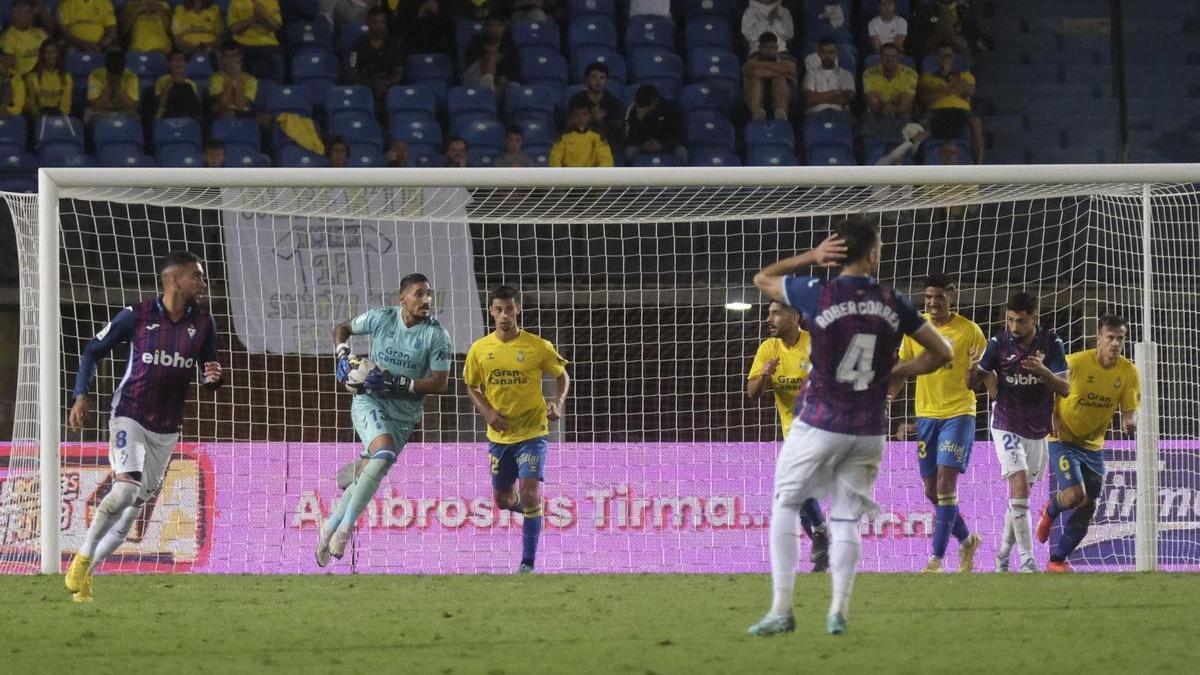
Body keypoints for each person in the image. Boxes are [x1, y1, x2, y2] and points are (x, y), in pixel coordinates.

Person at [748, 218, 950, 636]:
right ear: (874, 254)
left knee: (785, 504)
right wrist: (897, 369)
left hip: (819, 420)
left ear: (837, 252)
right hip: (869, 427)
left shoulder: (817, 293)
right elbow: (942, 352)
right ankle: (838, 610)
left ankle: (782, 609)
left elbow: (762, 278)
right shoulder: (895, 301)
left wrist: (812, 257)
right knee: (846, 519)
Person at [63, 251, 224, 602]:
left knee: (133, 511)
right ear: (175, 280)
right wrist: (81, 395)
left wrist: (213, 378)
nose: (203, 282)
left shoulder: (204, 323)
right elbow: (92, 350)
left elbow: (208, 367)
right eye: (197, 276)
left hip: (166, 429)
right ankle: (83, 555)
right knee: (123, 492)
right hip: (129, 415)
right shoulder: (136, 316)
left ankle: (88, 574)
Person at [316, 273, 452, 566]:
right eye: (419, 294)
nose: (426, 300)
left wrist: (400, 383)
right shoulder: (382, 318)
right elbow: (342, 329)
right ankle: (345, 530)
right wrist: (342, 355)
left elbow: (440, 383)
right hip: (370, 401)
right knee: (384, 451)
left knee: (373, 468)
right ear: (402, 298)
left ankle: (328, 527)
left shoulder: (436, 335)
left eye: (428, 294)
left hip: (405, 418)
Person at [464, 285, 570, 573]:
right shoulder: (479, 349)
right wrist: (486, 410)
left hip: (533, 432)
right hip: (499, 437)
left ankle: (527, 564)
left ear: (517, 309)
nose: (504, 315)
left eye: (509, 308)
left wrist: (557, 403)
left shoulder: (537, 346)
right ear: (491, 312)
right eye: (498, 309)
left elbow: (562, 376)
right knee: (502, 500)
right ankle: (532, 513)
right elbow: (471, 385)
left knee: (530, 490)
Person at [890, 273, 986, 573]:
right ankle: (968, 541)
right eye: (928, 297)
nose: (932, 302)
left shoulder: (970, 332)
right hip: (926, 416)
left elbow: (977, 383)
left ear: (951, 296)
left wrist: (974, 371)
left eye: (939, 297)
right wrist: (888, 398)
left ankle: (936, 559)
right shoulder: (914, 329)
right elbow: (902, 370)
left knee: (946, 482)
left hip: (959, 413)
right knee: (932, 491)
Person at [969, 291, 1068, 573]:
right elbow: (976, 381)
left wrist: (1044, 372)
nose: (1014, 327)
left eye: (1021, 321)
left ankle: (1002, 554)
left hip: (1038, 430)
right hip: (1005, 422)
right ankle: (1027, 562)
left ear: (1034, 318)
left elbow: (1065, 388)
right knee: (1020, 485)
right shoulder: (998, 343)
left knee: (1020, 500)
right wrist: (974, 371)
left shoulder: (1052, 343)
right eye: (1010, 320)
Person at [1036, 315, 1139, 572]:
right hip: (1063, 439)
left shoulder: (1128, 372)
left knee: (1088, 507)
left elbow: (1128, 410)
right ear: (1099, 339)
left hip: (1093, 446)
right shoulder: (1075, 362)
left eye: (1120, 339)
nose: (1115, 343)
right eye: (1110, 338)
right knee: (1075, 495)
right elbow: (1044, 390)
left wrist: (1129, 422)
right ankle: (1050, 509)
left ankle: (1056, 560)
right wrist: (1052, 418)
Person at [746, 300, 830, 572]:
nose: (769, 319)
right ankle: (821, 547)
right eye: (768, 313)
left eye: (776, 313)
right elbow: (752, 393)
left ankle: (819, 532)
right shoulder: (768, 348)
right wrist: (765, 377)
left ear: (795, 317)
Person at [918, 42, 983, 163]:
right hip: (936, 112)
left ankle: (978, 163)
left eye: (948, 56)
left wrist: (950, 77)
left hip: (961, 112)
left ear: (953, 58)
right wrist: (952, 89)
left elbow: (970, 91)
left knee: (976, 121)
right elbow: (926, 98)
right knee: (921, 125)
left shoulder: (965, 75)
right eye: (942, 56)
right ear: (936, 58)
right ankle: (923, 164)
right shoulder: (928, 77)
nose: (945, 59)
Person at [349, 6, 404, 108]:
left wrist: (386, 84)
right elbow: (353, 74)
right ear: (368, 24)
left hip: (388, 90)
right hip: (365, 90)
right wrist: (373, 85)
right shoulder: (356, 47)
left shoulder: (393, 45)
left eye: (382, 23)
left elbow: (399, 72)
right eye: (375, 23)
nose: (379, 26)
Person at [863, 42, 917, 141]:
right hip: (876, 113)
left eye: (893, 56)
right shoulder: (869, 73)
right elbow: (873, 103)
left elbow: (904, 104)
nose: (889, 60)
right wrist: (894, 101)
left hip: (902, 114)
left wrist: (885, 103)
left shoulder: (910, 74)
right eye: (886, 56)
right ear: (880, 58)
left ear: (898, 58)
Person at [567, 61, 624, 151]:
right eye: (594, 77)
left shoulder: (613, 102)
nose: (598, 81)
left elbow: (619, 129)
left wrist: (603, 120)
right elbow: (569, 124)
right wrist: (591, 117)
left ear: (606, 81)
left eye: (602, 78)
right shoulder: (577, 100)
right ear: (587, 79)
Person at [624, 84, 686, 165]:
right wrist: (640, 121)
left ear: (654, 102)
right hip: (643, 145)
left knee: (682, 153)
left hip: (666, 145)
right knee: (629, 153)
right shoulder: (633, 110)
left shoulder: (671, 108)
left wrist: (662, 145)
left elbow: (679, 134)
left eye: (644, 107)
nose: (640, 109)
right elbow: (630, 137)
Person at [742, 31, 797, 122]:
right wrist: (779, 70)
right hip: (756, 96)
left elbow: (790, 69)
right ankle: (757, 117)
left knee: (779, 80)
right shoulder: (750, 63)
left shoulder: (787, 61)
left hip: (783, 96)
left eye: (772, 47)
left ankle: (781, 117)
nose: (768, 51)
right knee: (756, 80)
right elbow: (754, 71)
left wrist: (763, 68)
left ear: (777, 48)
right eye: (765, 47)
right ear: (759, 48)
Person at [226, 0, 283, 81]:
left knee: (275, 61)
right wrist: (253, 18)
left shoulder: (272, 1)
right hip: (242, 45)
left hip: (268, 45)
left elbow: (275, 26)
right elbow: (234, 29)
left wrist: (263, 15)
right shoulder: (235, 2)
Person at [463, 16, 519, 91]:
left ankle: (489, 87)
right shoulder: (476, 41)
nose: (494, 29)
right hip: (476, 77)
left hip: (499, 84)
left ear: (504, 29)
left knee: (514, 86)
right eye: (491, 26)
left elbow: (516, 70)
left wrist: (507, 78)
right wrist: (487, 55)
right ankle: (488, 86)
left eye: (499, 26)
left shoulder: (510, 47)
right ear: (486, 28)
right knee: (491, 56)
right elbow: (470, 61)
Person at [802, 37, 854, 117]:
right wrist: (834, 93)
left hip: (840, 114)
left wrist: (818, 97)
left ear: (837, 53)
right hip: (815, 114)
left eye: (831, 52)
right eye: (823, 52)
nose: (827, 56)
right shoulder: (811, 74)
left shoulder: (846, 74)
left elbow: (846, 99)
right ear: (818, 53)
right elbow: (809, 99)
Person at [550, 103, 613, 167]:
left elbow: (606, 161)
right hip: (568, 175)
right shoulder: (563, 138)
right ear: (572, 117)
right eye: (577, 114)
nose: (580, 117)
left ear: (589, 117)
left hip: (591, 175)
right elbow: (555, 161)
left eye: (584, 114)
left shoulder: (598, 137)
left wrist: (595, 175)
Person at [84, 49, 138, 124]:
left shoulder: (131, 76)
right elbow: (95, 107)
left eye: (119, 74)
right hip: (101, 112)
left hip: (123, 112)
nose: (115, 77)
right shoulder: (95, 76)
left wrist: (117, 87)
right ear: (107, 69)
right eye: (112, 74)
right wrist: (109, 86)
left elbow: (132, 106)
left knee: (135, 117)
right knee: (92, 118)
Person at [209, 42, 258, 119]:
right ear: (222, 58)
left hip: (244, 114)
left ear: (240, 57)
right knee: (228, 113)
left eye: (235, 55)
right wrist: (232, 77)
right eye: (227, 56)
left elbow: (241, 105)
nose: (231, 59)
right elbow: (224, 103)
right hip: (222, 114)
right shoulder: (216, 77)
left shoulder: (251, 79)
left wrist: (236, 78)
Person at [0, 1, 49, 77]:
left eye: (27, 12)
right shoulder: (7, 38)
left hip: (37, 74)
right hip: (17, 77)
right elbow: (8, 66)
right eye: (17, 13)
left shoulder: (41, 33)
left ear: (32, 14)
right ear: (13, 15)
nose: (22, 16)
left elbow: (46, 58)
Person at [24, 40, 72, 116]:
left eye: (53, 52)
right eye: (47, 53)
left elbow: (66, 102)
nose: (50, 56)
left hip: (59, 114)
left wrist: (61, 116)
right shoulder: (32, 77)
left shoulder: (66, 77)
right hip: (39, 115)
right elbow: (31, 103)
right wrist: (39, 116)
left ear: (58, 54)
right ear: (42, 55)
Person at [154, 50, 202, 118]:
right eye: (175, 60)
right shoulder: (162, 80)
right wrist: (171, 83)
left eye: (181, 60)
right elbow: (161, 103)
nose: (178, 62)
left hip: (187, 118)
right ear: (169, 64)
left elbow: (196, 107)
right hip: (165, 117)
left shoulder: (191, 83)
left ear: (185, 64)